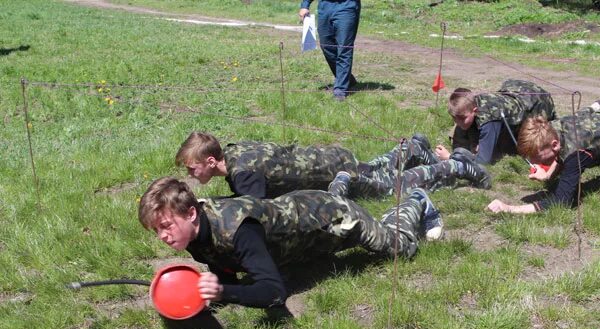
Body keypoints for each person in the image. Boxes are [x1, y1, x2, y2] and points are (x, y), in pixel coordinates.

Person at [138, 177, 443, 309]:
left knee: (400, 248)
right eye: (156, 230)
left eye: (165, 226)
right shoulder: (190, 230)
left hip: (333, 218)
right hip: (297, 221)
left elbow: (274, 292)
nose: (163, 236)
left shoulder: (240, 230)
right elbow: (220, 262)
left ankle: (415, 202)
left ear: (191, 213)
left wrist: (223, 293)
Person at [177, 132, 492, 200]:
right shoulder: (235, 151)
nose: (191, 175)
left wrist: (211, 203)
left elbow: (252, 208)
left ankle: (460, 168)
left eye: (192, 168)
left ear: (210, 161)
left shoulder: (243, 174)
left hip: (340, 176)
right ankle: (413, 145)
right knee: (375, 167)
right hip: (334, 159)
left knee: (394, 185)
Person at [487, 100, 600, 214]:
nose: (533, 162)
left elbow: (561, 202)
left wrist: (509, 208)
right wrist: (548, 175)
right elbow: (590, 108)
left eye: (536, 156)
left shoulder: (575, 155)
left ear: (554, 145)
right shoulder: (552, 127)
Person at [436, 79, 556, 165]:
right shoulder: (470, 104)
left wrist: (450, 157)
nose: (458, 122)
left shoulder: (490, 118)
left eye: (462, 118)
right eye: (454, 118)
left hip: (537, 103)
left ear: (475, 110)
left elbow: (483, 161)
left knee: (524, 144)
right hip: (515, 92)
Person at [298, 0, 360, 101]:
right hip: (325, 8)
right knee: (326, 46)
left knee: (344, 49)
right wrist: (305, 5)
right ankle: (347, 79)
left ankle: (340, 90)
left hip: (346, 6)